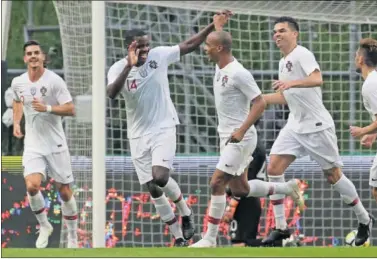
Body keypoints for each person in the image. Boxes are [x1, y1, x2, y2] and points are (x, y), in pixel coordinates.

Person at [106, 10, 233, 246]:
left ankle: (186, 212)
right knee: (153, 188)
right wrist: (128, 66)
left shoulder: (159, 56)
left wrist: (211, 27)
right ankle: (178, 238)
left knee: (160, 176)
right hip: (137, 134)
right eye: (140, 47)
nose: (145, 51)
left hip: (163, 127)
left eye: (147, 46)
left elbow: (189, 45)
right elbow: (112, 94)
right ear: (129, 47)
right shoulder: (117, 69)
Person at [262, 16, 374, 247]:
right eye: (275, 32)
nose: (277, 35)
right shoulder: (283, 63)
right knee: (273, 167)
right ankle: (281, 228)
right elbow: (286, 96)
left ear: (295, 34)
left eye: (282, 30)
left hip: (316, 126)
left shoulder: (302, 53)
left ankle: (364, 219)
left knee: (333, 176)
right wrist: (259, 99)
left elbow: (317, 78)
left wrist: (290, 84)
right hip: (295, 125)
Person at [189, 30, 304, 248]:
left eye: (208, 45)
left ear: (219, 48)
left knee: (216, 182)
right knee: (241, 189)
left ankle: (210, 238)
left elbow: (259, 102)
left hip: (241, 138)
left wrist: (241, 130)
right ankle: (286, 188)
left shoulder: (238, 73)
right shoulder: (219, 66)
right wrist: (217, 24)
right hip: (227, 137)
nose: (205, 48)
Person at [11, 40, 78, 248]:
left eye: (36, 53)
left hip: (55, 143)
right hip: (33, 144)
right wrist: (16, 122)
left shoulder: (54, 81)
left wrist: (48, 108)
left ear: (42, 57)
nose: (32, 56)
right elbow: (17, 100)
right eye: (29, 53)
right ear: (25, 58)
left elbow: (71, 109)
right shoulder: (18, 82)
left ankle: (73, 238)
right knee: (31, 186)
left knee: (65, 192)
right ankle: (45, 225)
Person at [350, 38, 377, 203]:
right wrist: (373, 135)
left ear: (360, 59)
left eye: (356, 54)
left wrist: (363, 131)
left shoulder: (370, 85)